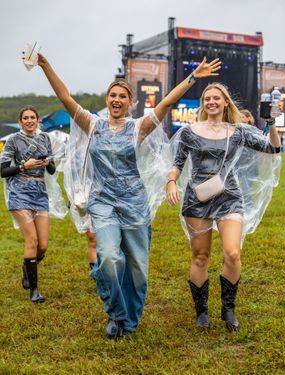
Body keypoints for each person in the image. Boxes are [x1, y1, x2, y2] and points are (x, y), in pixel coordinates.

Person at [35, 52, 221, 339]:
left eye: (122, 95)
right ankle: (116, 314)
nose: (117, 99)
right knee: (108, 258)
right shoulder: (92, 125)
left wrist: (193, 78)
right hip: (103, 202)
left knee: (137, 269)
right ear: (107, 99)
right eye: (112, 95)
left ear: (130, 102)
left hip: (134, 204)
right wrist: (47, 66)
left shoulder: (139, 127)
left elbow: (168, 101)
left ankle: (129, 322)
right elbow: (65, 97)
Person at [166, 83, 281, 331]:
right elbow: (177, 162)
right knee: (201, 256)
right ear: (203, 104)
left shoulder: (238, 131)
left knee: (232, 253)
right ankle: (201, 311)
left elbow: (272, 148)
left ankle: (228, 309)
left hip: (229, 196)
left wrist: (271, 123)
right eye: (207, 99)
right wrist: (172, 182)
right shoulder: (189, 132)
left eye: (216, 98)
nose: (211, 102)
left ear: (225, 102)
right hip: (197, 199)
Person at [0, 105, 56, 303]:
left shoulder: (45, 139)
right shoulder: (13, 140)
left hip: (40, 193)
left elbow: (51, 170)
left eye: (33, 117)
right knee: (31, 240)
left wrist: (47, 162)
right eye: (26, 118)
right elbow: (3, 171)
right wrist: (25, 165)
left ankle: (27, 266)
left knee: (43, 245)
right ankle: (34, 290)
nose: (30, 120)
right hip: (19, 193)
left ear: (38, 120)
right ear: (20, 121)